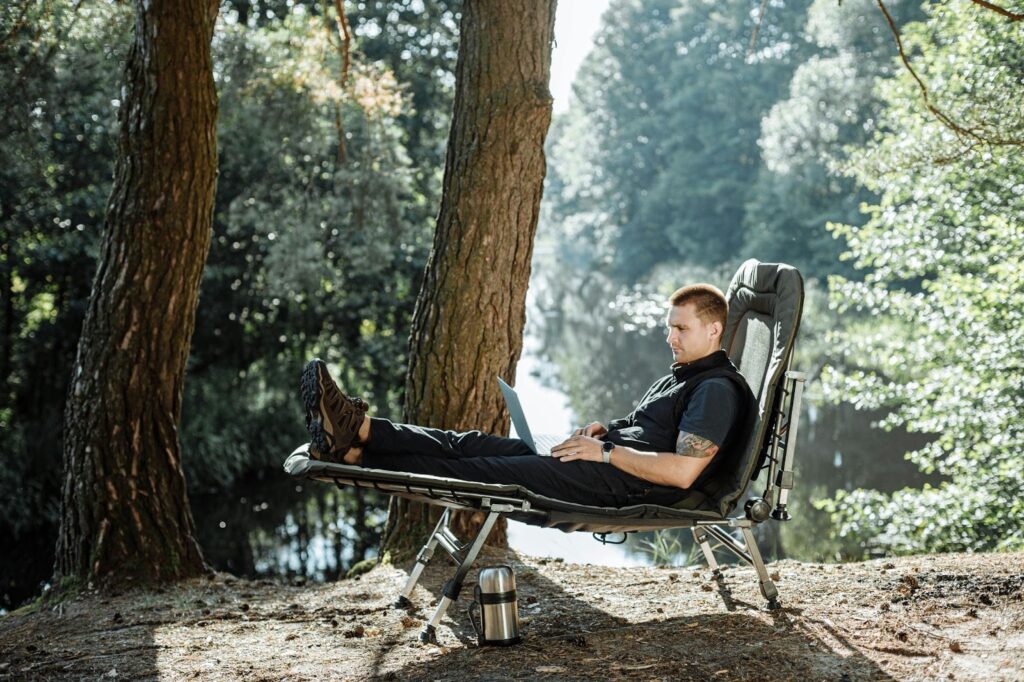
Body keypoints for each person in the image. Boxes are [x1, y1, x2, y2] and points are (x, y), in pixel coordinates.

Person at [300, 284, 755, 508]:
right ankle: (359, 428)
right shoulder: (687, 374)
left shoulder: (714, 390)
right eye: (669, 327)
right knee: (469, 444)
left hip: (624, 485)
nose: (670, 337)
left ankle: (355, 457)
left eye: (681, 329)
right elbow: (650, 431)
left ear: (714, 329)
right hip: (604, 464)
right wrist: (606, 431)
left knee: (481, 472)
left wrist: (605, 452)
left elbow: (682, 473)